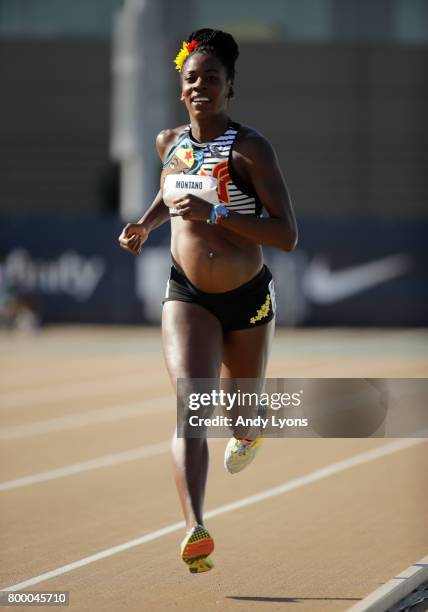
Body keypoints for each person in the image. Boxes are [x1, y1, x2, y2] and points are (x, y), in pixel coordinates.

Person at [118, 28, 297, 574]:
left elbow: (286, 234)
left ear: (229, 88)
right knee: (191, 408)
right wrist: (146, 225)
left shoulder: (250, 149)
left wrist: (217, 215)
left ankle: (248, 423)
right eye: (191, 78)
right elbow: (168, 190)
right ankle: (195, 525)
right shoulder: (166, 142)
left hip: (246, 298)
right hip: (187, 295)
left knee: (238, 407)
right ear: (181, 88)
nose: (201, 86)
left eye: (212, 79)